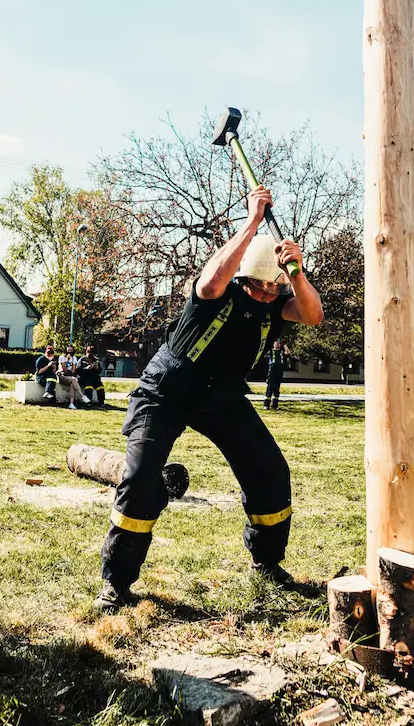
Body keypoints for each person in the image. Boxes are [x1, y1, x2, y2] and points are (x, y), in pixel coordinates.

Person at [94, 185, 324, 613]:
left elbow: (313, 314)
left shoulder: (276, 301)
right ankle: (117, 581)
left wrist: (296, 271)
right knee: (142, 478)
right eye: (261, 288)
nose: (268, 298)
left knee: (269, 469)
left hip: (222, 397)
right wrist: (253, 221)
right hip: (165, 390)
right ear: (244, 278)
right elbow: (211, 277)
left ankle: (267, 562)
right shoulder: (216, 293)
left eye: (275, 291)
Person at [263, 339, 290, 410]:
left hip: (279, 370)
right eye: (276, 343)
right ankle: (266, 405)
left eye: (278, 343)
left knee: (277, 388)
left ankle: (275, 405)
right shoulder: (271, 351)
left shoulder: (281, 352)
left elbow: (288, 352)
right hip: (272, 370)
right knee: (270, 387)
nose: (277, 345)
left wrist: (284, 344)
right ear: (273, 345)